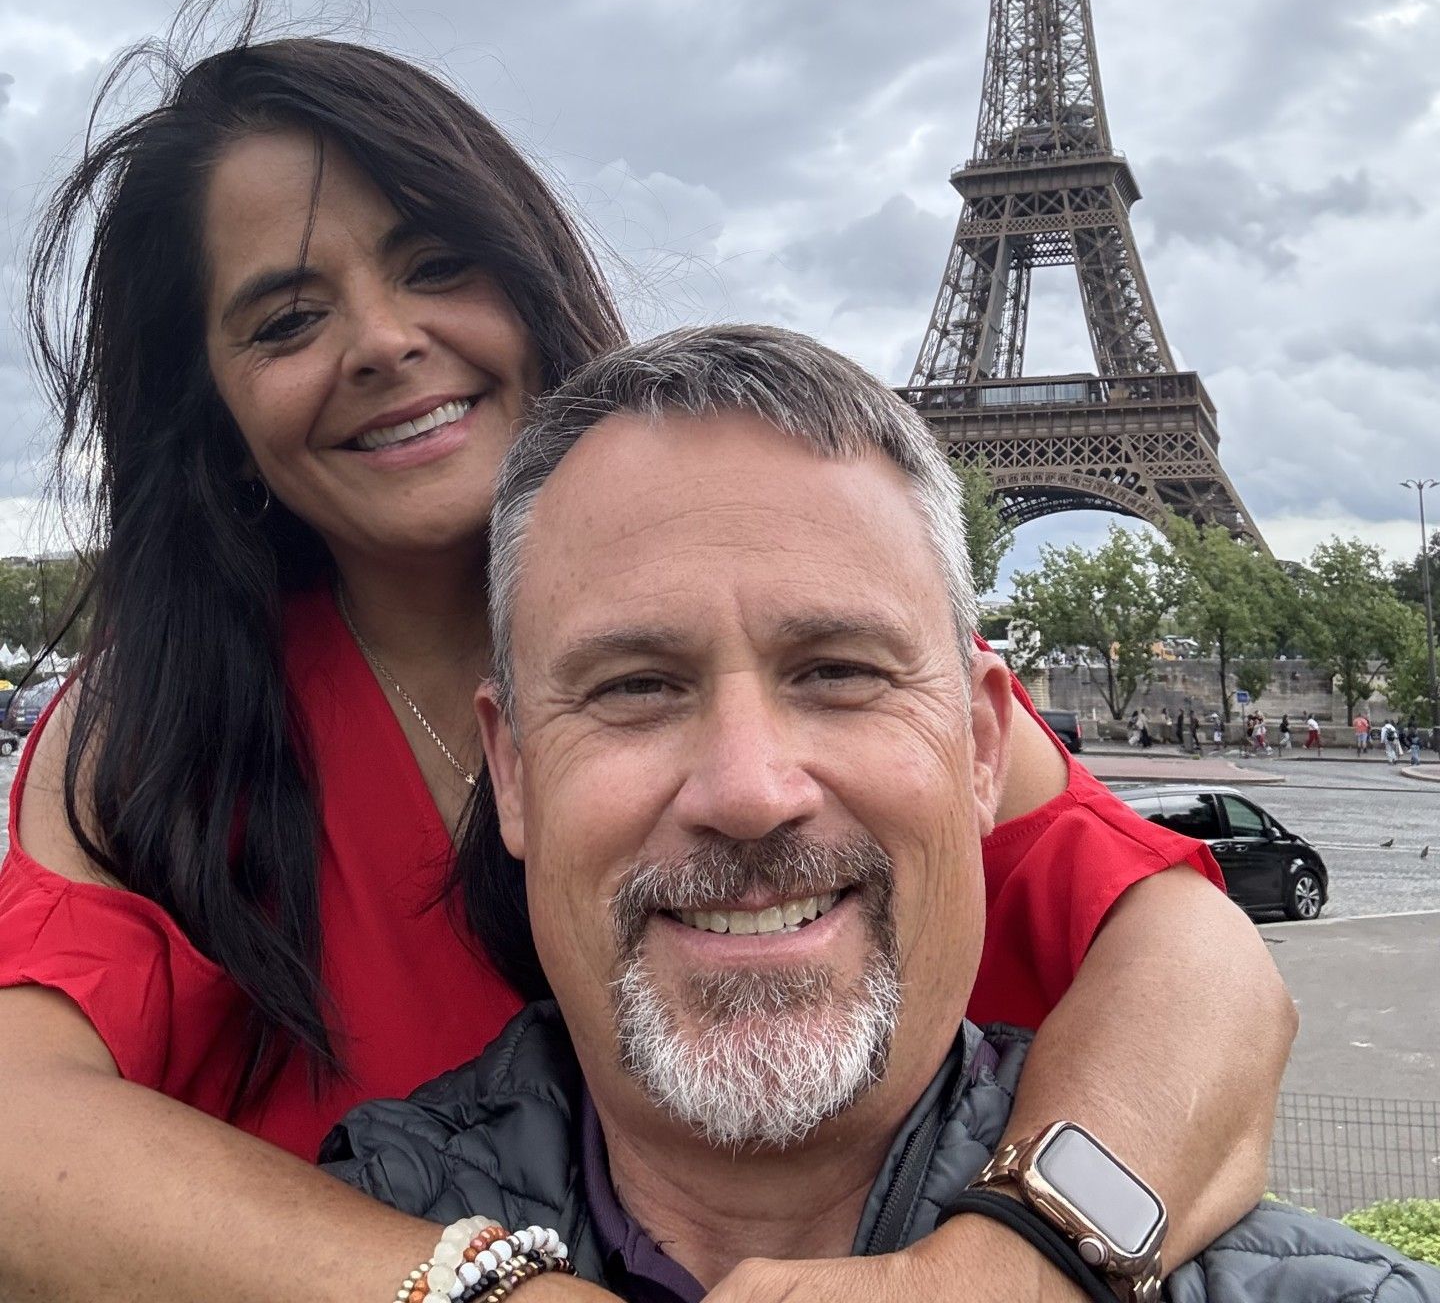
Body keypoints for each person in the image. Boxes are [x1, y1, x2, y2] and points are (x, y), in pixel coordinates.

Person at [0, 0, 1295, 1303]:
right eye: (287, 321)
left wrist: (1010, 1266)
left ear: (529, 282)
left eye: (437, 264)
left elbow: (1194, 963)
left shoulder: (812, 647)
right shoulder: (151, 729)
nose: (383, 341)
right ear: (212, 415)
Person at [325, 326, 1440, 1303]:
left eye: (839, 672)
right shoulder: (316, 1235)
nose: (751, 792)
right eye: (635, 687)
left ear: (983, 746)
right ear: (513, 773)